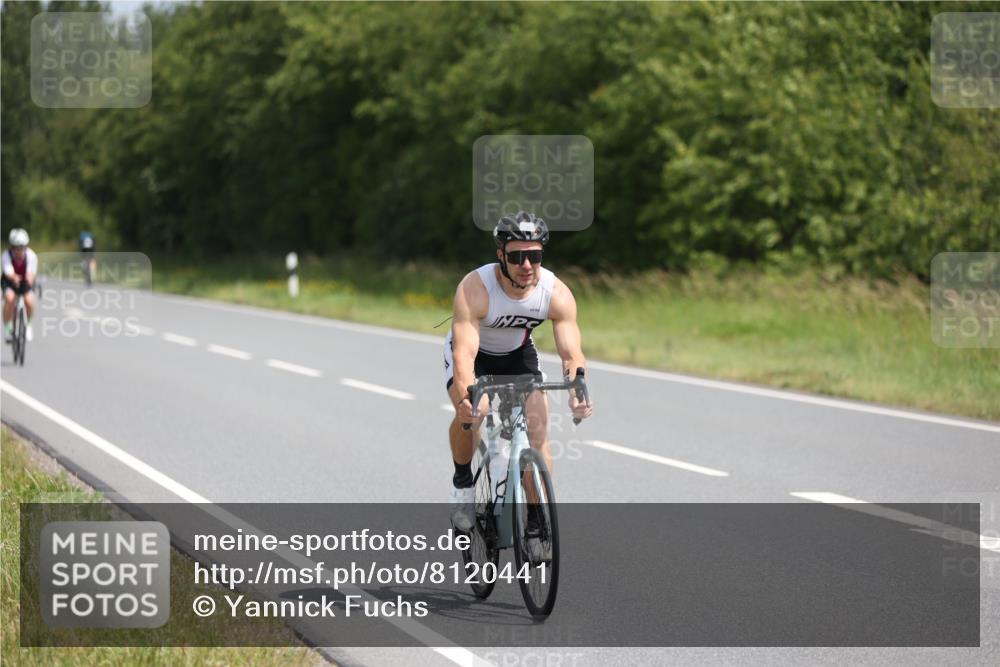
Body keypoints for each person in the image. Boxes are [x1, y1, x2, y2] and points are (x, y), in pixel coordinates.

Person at [445, 211, 593, 532]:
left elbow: (571, 353)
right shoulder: (476, 288)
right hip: (475, 356)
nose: (527, 265)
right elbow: (464, 355)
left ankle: (537, 518)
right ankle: (462, 484)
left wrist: (578, 389)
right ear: (501, 256)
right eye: (517, 257)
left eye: (535, 256)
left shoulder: (555, 293)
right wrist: (468, 395)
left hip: (517, 355)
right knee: (475, 412)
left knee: (538, 429)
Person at [2, 228, 38, 342]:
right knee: (9, 298)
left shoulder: (31, 255)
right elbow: (8, 272)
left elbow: (31, 273)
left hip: (25, 281)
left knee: (29, 301)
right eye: (16, 248)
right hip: (10, 281)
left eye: (22, 247)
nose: (19, 251)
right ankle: (8, 328)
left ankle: (28, 324)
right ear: (12, 247)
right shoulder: (6, 255)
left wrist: (28, 281)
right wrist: (14, 278)